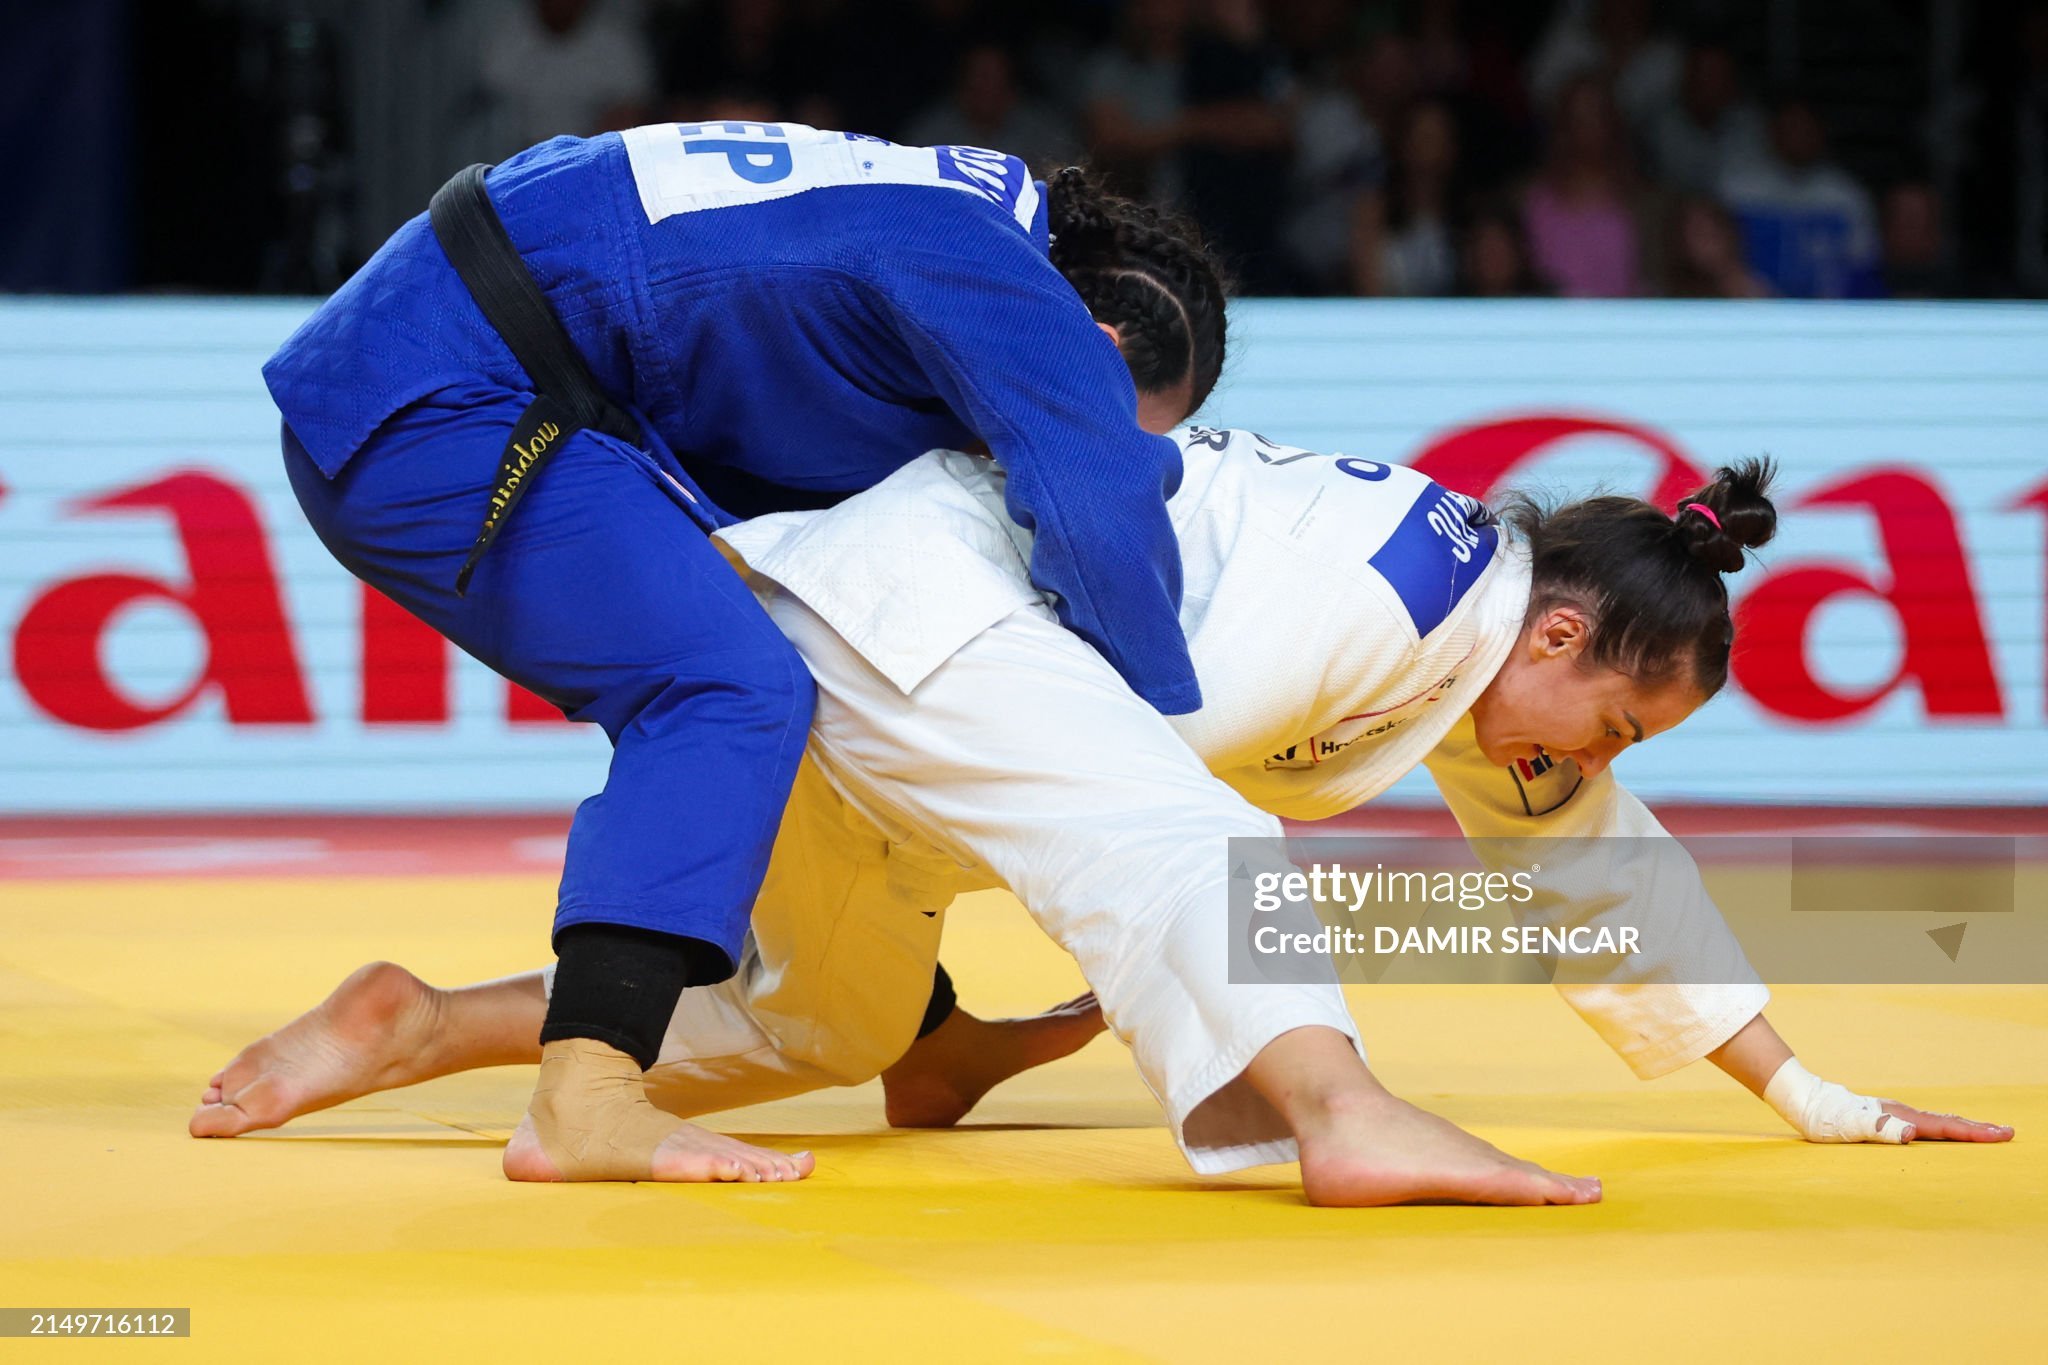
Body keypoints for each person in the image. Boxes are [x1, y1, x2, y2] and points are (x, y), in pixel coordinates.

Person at [195, 430, 2013, 1204]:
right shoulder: (1391, 589)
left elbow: (1601, 876)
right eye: (1606, 722)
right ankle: (1346, 1118)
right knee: (1208, 852)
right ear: (1559, 635)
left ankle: (419, 1024)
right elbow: (1130, 797)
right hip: (912, 623)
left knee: (821, 1026)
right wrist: (1231, 1026)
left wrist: (1811, 1096)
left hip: (896, 687)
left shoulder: (1474, 646)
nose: (1579, 767)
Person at [259, 123, 1227, 1184]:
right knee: (727, 685)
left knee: (822, 645)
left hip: (431, 345)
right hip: (436, 401)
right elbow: (1100, 503)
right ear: (1097, 346)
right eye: (1113, 411)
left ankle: (922, 1034)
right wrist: (1153, 750)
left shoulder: (950, 216)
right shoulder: (1003, 287)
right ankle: (586, 1093)